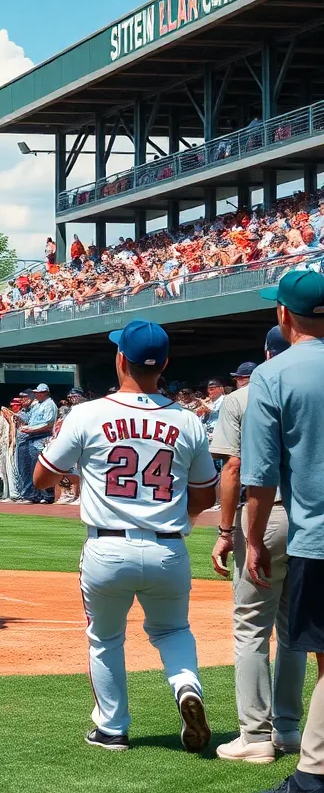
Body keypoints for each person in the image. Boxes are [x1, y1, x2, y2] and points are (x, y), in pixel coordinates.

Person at [34, 319, 218, 753]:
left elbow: (43, 478)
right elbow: (206, 492)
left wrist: (80, 470)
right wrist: (180, 516)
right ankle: (187, 688)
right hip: (167, 545)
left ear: (121, 359)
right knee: (173, 631)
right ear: (165, 363)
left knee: (105, 638)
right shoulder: (186, 420)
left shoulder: (87, 413)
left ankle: (112, 729)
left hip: (107, 545)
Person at [240, 270, 324, 793]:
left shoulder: (273, 375)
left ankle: (313, 775)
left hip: (315, 535)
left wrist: (251, 539)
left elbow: (261, 476)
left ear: (284, 316)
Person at [210, 336, 306, 764]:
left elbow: (232, 467)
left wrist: (227, 530)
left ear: (267, 354)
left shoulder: (245, 395)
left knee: (251, 625)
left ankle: (255, 734)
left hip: (266, 515)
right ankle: (287, 728)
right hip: (310, 518)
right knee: (293, 630)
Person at [16, 383, 58, 504]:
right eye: (35, 393)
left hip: (42, 438)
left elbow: (49, 425)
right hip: (31, 438)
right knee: (30, 468)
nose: (36, 394)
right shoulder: (37, 405)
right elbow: (30, 420)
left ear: (45, 393)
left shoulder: (50, 404)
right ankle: (33, 495)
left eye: (38, 393)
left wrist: (31, 429)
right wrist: (17, 417)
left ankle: (47, 495)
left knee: (41, 468)